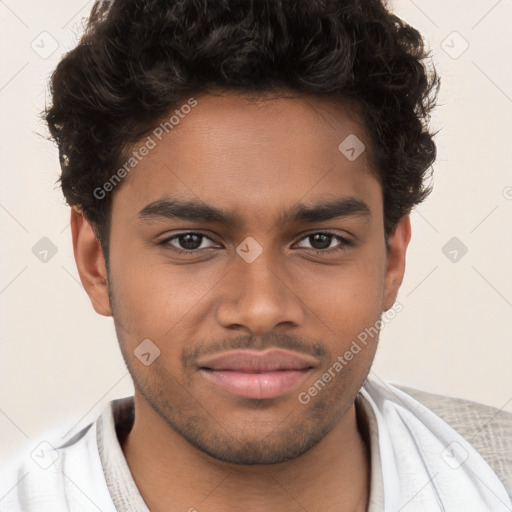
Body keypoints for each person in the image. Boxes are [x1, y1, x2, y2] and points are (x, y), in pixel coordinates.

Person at [1, 0, 511, 511]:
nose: (260, 308)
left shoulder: (496, 474)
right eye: (190, 241)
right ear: (96, 261)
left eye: (320, 241)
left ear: (392, 259)